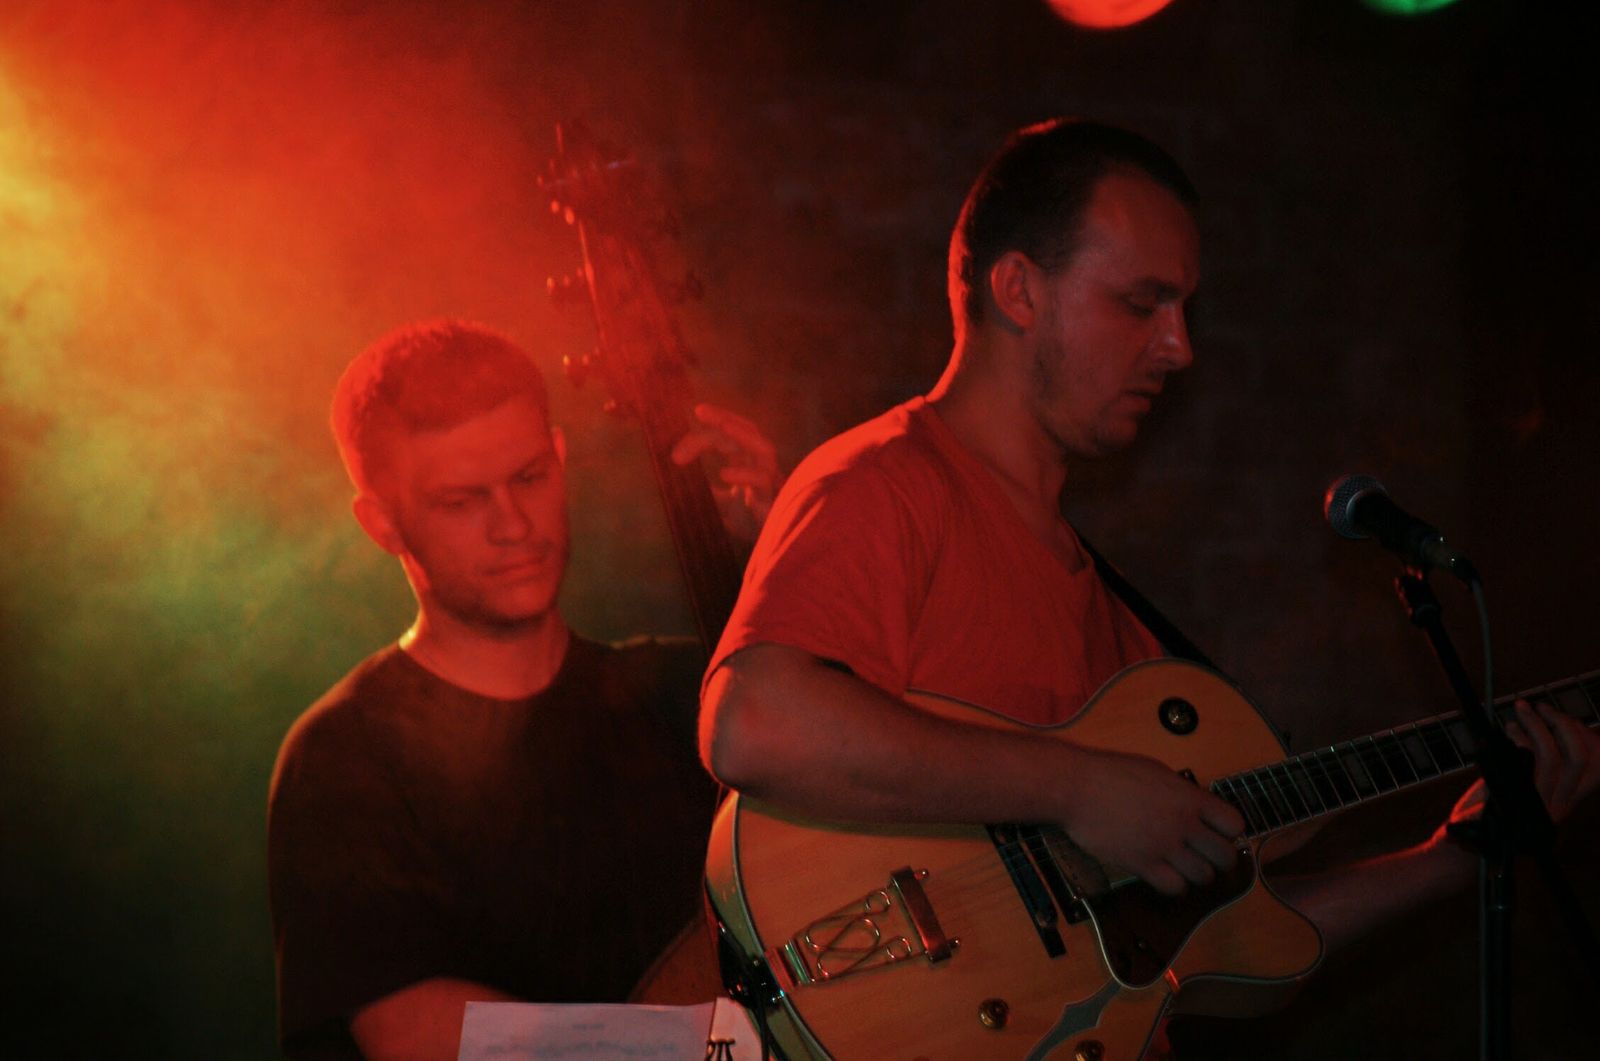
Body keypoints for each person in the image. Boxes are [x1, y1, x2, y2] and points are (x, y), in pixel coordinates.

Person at [699, 119, 1600, 1056]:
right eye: (1142, 304)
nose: (1179, 347)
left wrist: (1455, 857)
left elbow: (1233, 942)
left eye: (1183, 309)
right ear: (1018, 290)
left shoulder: (1119, 629)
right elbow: (753, 720)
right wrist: (1080, 789)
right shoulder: (888, 482)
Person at [268, 319, 779, 1061]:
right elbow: (410, 1032)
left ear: (560, 456)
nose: (512, 524)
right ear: (380, 523)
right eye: (461, 501)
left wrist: (788, 564)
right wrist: (704, 1046)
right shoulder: (345, 754)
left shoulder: (686, 691)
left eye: (530, 477)